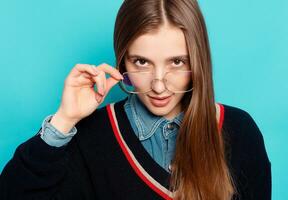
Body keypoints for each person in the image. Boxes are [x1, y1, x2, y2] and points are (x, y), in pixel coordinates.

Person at [0, 0, 271, 199]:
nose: (159, 84)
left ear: (198, 60)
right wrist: (63, 120)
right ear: (123, 61)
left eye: (177, 62)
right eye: (141, 62)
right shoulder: (90, 135)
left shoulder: (239, 130)